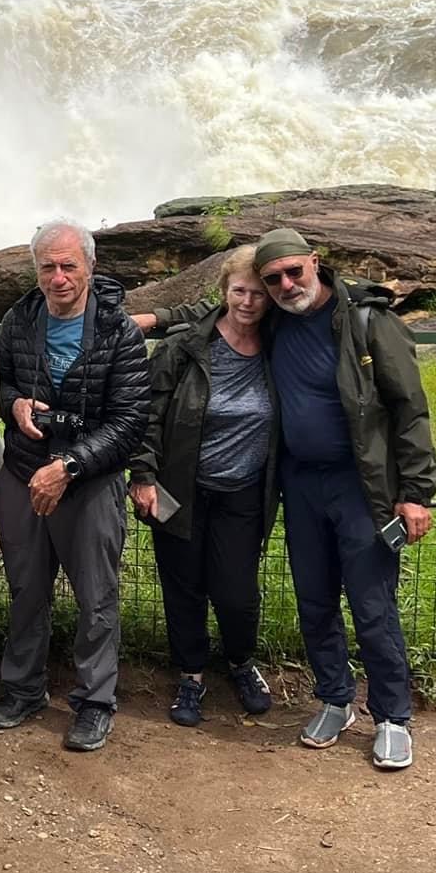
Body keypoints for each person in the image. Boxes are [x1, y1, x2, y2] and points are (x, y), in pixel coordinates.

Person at [253, 227, 436, 772]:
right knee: (314, 602)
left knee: (372, 604)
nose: (287, 285)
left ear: (316, 262)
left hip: (362, 488)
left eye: (294, 271)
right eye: (274, 279)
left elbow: (410, 409)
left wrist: (415, 493)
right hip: (300, 485)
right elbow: (213, 304)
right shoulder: (271, 320)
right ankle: (335, 699)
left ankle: (392, 717)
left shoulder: (367, 321)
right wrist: (151, 318)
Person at [0, 219, 152, 752]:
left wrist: (71, 466)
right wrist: (12, 405)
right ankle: (23, 689)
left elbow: (129, 422)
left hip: (89, 481)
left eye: (68, 266)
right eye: (47, 267)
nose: (58, 278)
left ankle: (95, 702)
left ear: (90, 267)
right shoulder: (19, 320)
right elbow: (3, 382)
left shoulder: (117, 331)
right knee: (26, 588)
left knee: (96, 597)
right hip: (21, 472)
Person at [129, 243, 280, 729]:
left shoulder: (282, 346)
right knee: (184, 588)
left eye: (259, 293)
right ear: (224, 292)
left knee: (237, 593)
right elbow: (146, 415)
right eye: (239, 290)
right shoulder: (186, 346)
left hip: (243, 493)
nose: (248, 302)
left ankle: (240, 663)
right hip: (181, 489)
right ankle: (191, 676)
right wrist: (143, 476)